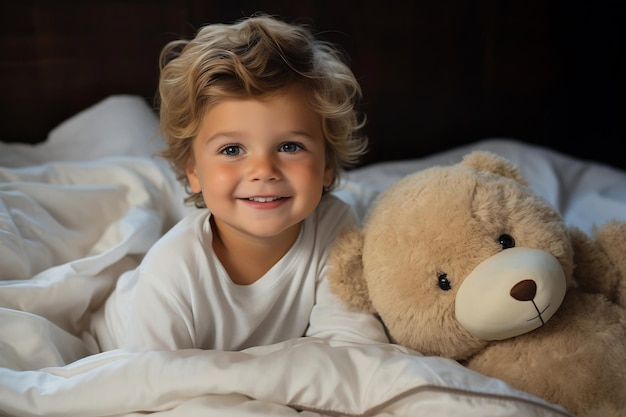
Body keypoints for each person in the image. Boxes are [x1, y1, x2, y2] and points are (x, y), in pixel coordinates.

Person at [89, 13, 389, 352]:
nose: (263, 169)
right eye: (232, 149)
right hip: (120, 344)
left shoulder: (333, 226)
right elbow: (156, 382)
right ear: (194, 172)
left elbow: (353, 345)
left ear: (326, 166)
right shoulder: (174, 269)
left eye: (290, 146)